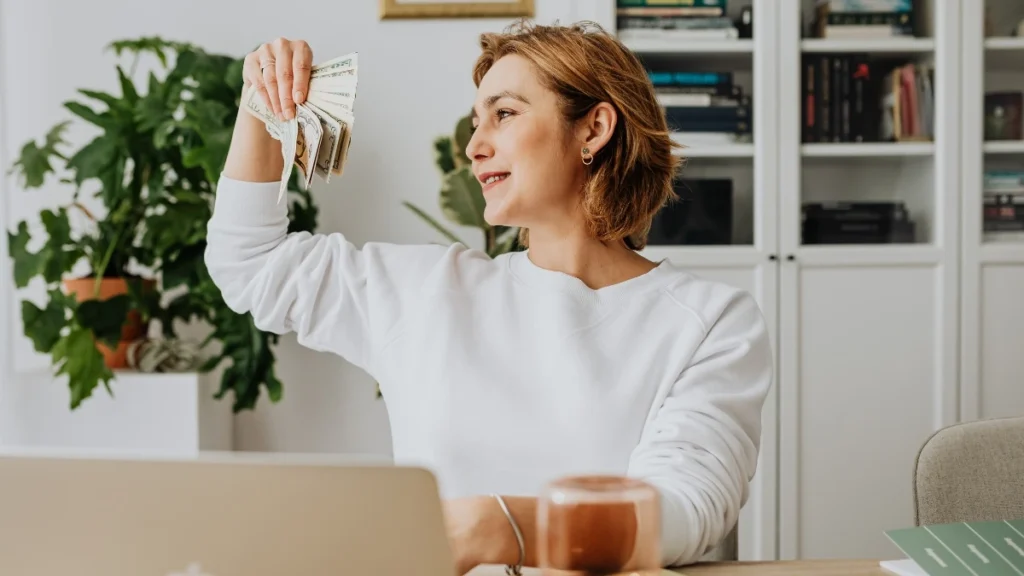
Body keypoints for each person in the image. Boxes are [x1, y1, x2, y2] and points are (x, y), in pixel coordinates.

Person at [205, 20, 773, 576]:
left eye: (504, 114)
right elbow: (250, 263)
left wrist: (496, 525)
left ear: (594, 129)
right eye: (477, 122)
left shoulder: (710, 322)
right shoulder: (423, 292)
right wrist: (263, 104)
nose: (475, 147)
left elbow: (684, 511)